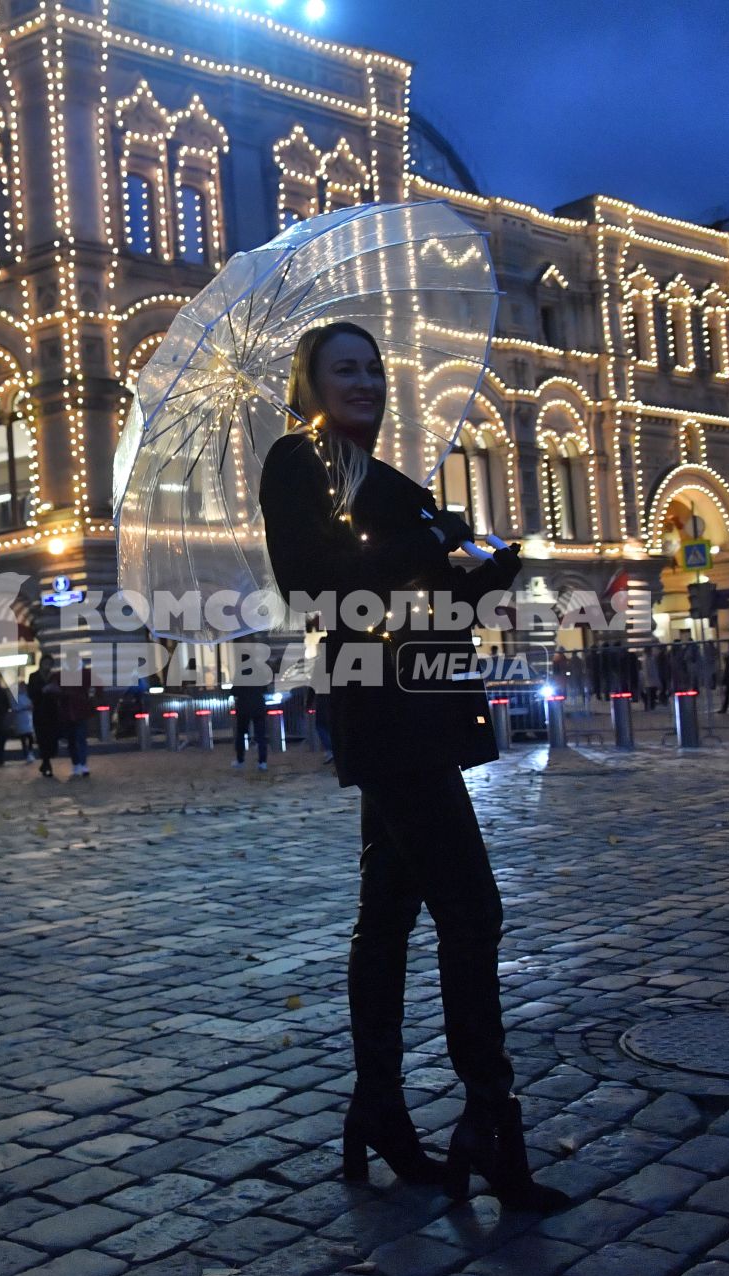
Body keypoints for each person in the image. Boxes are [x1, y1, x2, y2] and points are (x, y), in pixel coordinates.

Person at [258, 320, 565, 1212]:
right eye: (343, 369)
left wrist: (484, 571)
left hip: (428, 707)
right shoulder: (296, 464)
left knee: (387, 913)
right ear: (309, 384)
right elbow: (314, 589)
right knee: (474, 909)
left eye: (373, 368)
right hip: (387, 717)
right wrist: (425, 549)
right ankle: (489, 1122)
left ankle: (379, 1108)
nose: (366, 382)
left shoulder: (390, 482)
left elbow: (432, 599)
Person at [232, 679, 270, 771]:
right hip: (258, 707)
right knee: (261, 736)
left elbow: (234, 691)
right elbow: (265, 689)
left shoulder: (240, 674)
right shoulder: (259, 673)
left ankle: (240, 760)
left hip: (243, 708)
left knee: (241, 735)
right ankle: (262, 762)